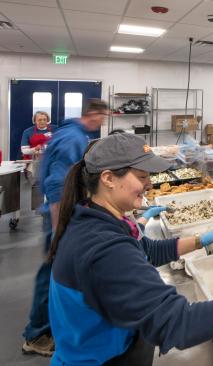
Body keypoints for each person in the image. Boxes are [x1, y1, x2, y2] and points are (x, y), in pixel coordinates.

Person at [48, 133, 213, 365]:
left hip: (109, 346)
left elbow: (147, 251)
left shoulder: (95, 217)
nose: (149, 184)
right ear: (108, 178)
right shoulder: (103, 247)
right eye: (142, 176)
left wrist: (200, 240)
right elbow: (176, 322)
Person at [22, 99, 108, 357]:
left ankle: (48, 327)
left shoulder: (69, 132)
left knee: (55, 270)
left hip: (59, 211)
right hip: (59, 214)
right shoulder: (73, 139)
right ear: (93, 115)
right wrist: (61, 231)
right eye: (102, 116)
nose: (103, 121)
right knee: (53, 270)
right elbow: (59, 185)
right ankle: (36, 334)